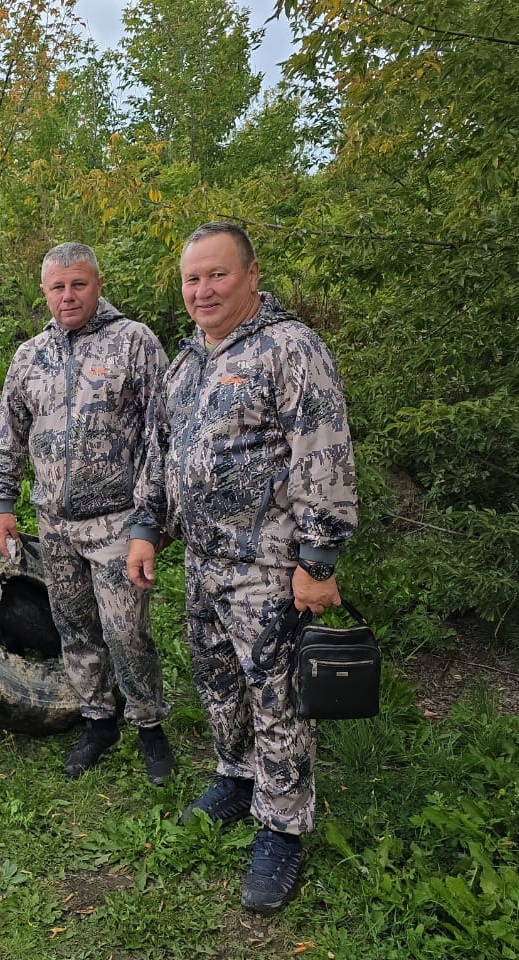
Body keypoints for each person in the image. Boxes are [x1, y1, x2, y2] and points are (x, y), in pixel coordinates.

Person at [126, 222, 358, 913]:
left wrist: (317, 557)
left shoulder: (290, 348)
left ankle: (283, 827)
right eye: (192, 279)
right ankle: (237, 773)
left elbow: (323, 449)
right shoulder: (185, 362)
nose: (203, 290)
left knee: (278, 696)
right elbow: (159, 453)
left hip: (268, 566)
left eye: (217, 275)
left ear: (252, 276)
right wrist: (146, 528)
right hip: (202, 562)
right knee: (217, 680)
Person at [0, 242, 176, 785]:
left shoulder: (134, 343)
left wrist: (150, 519)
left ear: (97, 285)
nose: (68, 296)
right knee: (74, 627)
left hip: (118, 522)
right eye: (57, 287)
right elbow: (9, 435)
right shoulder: (29, 357)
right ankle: (98, 718)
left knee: (126, 630)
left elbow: (160, 437)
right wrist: (3, 503)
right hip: (55, 523)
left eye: (78, 285)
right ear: (43, 291)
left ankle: (148, 723)